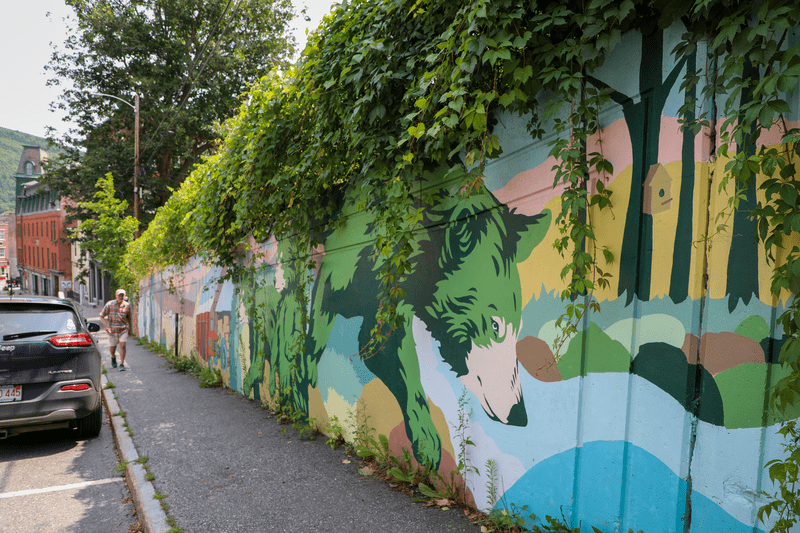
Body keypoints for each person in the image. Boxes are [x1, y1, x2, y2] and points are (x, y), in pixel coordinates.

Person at [100, 288, 132, 371]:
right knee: (112, 349)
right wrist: (106, 326)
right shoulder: (109, 304)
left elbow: (129, 319)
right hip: (112, 330)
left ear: (124, 296)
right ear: (116, 295)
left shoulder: (127, 306)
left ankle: (122, 363)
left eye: (123, 295)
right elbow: (101, 315)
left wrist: (130, 329)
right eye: (119, 295)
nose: (121, 297)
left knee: (123, 345)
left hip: (123, 329)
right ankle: (113, 357)